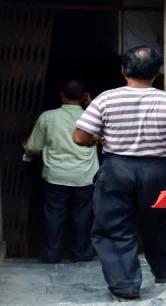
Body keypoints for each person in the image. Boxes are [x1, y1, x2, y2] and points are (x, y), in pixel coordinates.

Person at [73, 46, 166, 301]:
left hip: (116, 169)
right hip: (157, 170)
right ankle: (164, 271)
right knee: (159, 222)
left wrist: (96, 139)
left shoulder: (105, 99)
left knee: (113, 226)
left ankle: (125, 285)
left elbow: (80, 136)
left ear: (123, 70)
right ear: (157, 72)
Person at [23, 80, 98, 264]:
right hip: (84, 176)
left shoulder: (48, 117)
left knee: (54, 216)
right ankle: (81, 253)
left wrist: (25, 145)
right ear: (83, 96)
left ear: (61, 94)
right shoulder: (92, 117)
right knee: (82, 216)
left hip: (56, 175)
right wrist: (92, 104)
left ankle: (52, 254)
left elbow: (34, 146)